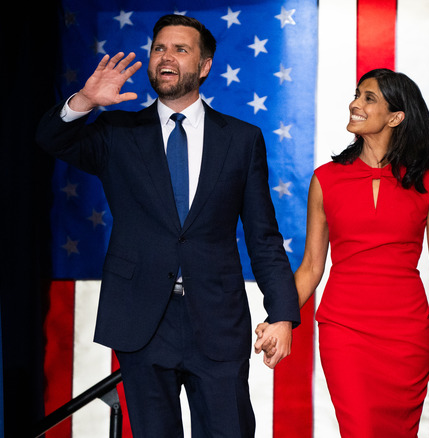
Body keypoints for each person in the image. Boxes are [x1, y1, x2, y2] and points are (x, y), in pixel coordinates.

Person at [36, 14, 300, 438]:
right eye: (159, 48)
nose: (166, 57)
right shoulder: (118, 132)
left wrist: (283, 313)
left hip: (217, 320)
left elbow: (263, 235)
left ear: (205, 65)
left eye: (180, 49)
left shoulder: (241, 139)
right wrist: (84, 101)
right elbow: (51, 140)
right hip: (142, 322)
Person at [255, 68, 429, 436]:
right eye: (356, 95)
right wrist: (280, 317)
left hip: (407, 336)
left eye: (368, 98)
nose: (354, 104)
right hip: (345, 330)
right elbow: (311, 266)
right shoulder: (325, 179)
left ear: (395, 116)